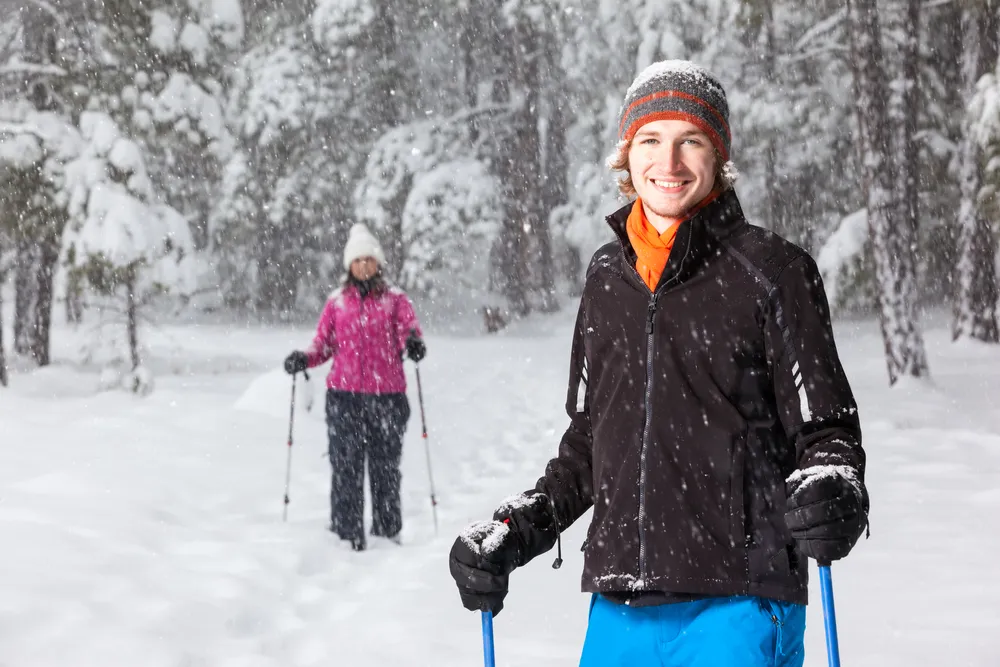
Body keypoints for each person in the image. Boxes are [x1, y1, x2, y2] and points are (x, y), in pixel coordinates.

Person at [448, 60, 869, 666]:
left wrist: (835, 485)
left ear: (717, 156)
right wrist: (515, 531)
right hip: (621, 605)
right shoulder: (605, 279)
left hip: (741, 598)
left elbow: (827, 428)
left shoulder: (774, 273)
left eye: (689, 141)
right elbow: (593, 441)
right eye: (650, 140)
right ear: (627, 155)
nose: (667, 164)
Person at [285, 223, 426, 552]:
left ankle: (387, 534)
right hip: (344, 399)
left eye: (369, 259)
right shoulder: (337, 304)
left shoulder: (395, 300)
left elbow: (409, 330)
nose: (364, 265)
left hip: (387, 398)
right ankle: (347, 536)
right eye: (357, 260)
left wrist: (414, 344)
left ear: (378, 263)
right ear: (349, 265)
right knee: (345, 467)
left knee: (385, 468)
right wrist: (303, 359)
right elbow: (322, 345)